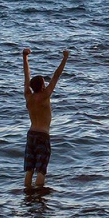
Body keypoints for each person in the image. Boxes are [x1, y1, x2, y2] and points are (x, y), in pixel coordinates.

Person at [22, 47, 69, 189]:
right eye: (44, 82)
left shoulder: (28, 96)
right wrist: (65, 58)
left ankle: (28, 195)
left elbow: (26, 76)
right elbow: (56, 75)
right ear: (42, 86)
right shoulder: (45, 95)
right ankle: (39, 197)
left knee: (29, 170)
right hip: (42, 135)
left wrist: (24, 57)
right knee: (41, 170)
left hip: (31, 134)